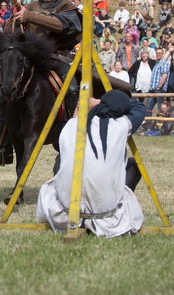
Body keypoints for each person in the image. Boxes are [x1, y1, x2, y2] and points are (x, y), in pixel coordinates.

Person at [0, 0, 82, 168]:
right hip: (31, 60)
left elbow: (65, 25)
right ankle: (4, 148)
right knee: (3, 93)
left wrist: (30, 15)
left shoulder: (67, 7)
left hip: (58, 58)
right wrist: (16, 21)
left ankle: (69, 133)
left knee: (71, 88)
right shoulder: (30, 7)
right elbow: (12, 35)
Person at [36, 90, 146, 237]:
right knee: (132, 166)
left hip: (64, 215)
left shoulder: (71, 125)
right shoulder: (120, 126)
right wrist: (103, 102)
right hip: (106, 219)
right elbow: (139, 108)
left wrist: (91, 104)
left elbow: (77, 113)